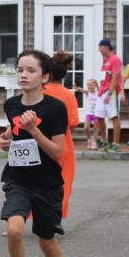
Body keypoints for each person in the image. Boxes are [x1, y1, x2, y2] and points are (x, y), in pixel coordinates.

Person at [0, 51, 70, 257]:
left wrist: (34, 130)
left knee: (46, 241)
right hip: (18, 178)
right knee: (14, 230)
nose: (24, 75)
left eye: (31, 70)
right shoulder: (11, 105)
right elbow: (12, 131)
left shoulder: (55, 108)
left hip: (47, 183)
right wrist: (5, 139)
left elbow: (57, 152)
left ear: (45, 76)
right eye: (20, 70)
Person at [43, 51, 80, 217]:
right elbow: (73, 122)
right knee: (62, 181)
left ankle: (29, 215)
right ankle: (55, 216)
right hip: (63, 143)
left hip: (38, 140)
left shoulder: (39, 91)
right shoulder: (68, 95)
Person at [94, 38, 122, 152]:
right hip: (102, 91)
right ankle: (104, 141)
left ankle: (116, 143)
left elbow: (115, 78)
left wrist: (109, 93)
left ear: (106, 47)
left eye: (100, 47)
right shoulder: (105, 60)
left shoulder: (115, 59)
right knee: (99, 116)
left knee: (114, 116)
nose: (99, 50)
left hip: (111, 91)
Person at [82, 78, 100, 149]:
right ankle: (89, 140)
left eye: (90, 85)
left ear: (95, 85)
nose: (89, 86)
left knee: (96, 128)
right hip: (89, 113)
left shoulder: (98, 93)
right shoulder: (88, 93)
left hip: (96, 114)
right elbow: (83, 90)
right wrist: (77, 88)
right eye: (88, 85)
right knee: (86, 127)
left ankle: (94, 142)